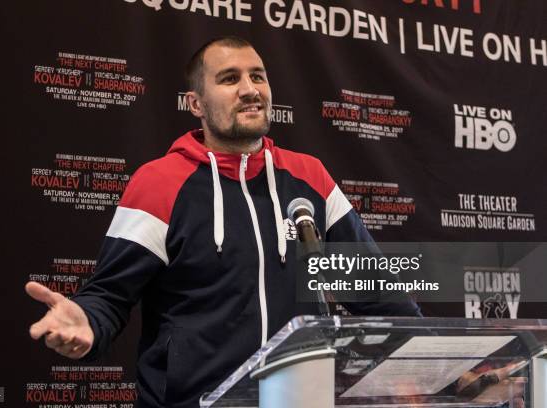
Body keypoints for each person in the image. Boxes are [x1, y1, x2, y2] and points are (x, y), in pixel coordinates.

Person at [26, 36, 421, 408]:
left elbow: (377, 289)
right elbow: (110, 296)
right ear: (196, 103)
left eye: (258, 76)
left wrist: (429, 357)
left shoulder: (309, 177)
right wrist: (88, 323)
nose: (250, 89)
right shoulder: (160, 183)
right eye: (230, 79)